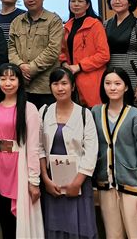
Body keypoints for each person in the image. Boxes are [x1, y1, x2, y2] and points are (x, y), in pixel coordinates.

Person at [92, 67, 137, 239]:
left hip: (133, 187)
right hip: (106, 187)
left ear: (126, 87)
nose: (112, 87)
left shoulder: (136, 116)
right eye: (108, 83)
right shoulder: (95, 112)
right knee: (113, 235)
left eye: (117, 83)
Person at [38, 67, 98, 239]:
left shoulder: (85, 114)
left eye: (64, 83)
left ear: (72, 86)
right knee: (55, 229)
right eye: (55, 84)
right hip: (53, 184)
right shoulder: (44, 112)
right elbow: (39, 148)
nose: (60, 88)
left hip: (79, 183)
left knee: (79, 228)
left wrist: (77, 183)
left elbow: (91, 152)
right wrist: (45, 179)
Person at [0, 63, 43, 239]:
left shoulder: (29, 109)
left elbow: (34, 147)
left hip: (17, 169)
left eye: (12, 79)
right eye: (3, 79)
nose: (7, 83)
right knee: (2, 219)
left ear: (19, 82)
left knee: (16, 223)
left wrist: (34, 181)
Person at [8, 0, 64, 108]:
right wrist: (20, 66)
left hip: (46, 86)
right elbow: (11, 48)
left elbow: (53, 50)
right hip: (22, 85)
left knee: (47, 119)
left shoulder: (54, 20)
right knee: (24, 119)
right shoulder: (16, 22)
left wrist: (30, 69)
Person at [61, 0, 110, 108]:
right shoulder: (67, 26)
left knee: (94, 112)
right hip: (71, 77)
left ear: (87, 5)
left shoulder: (95, 25)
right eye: (73, 1)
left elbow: (104, 55)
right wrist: (64, 63)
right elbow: (62, 51)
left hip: (92, 78)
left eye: (80, 1)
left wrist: (79, 66)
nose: (76, 4)